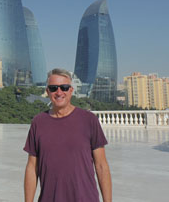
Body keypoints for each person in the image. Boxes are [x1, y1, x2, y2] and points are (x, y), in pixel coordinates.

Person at [23, 68, 112, 202]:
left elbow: (101, 165)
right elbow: (31, 167)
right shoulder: (38, 122)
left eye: (64, 87)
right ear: (47, 91)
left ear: (71, 90)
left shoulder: (89, 120)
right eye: (53, 88)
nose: (59, 92)